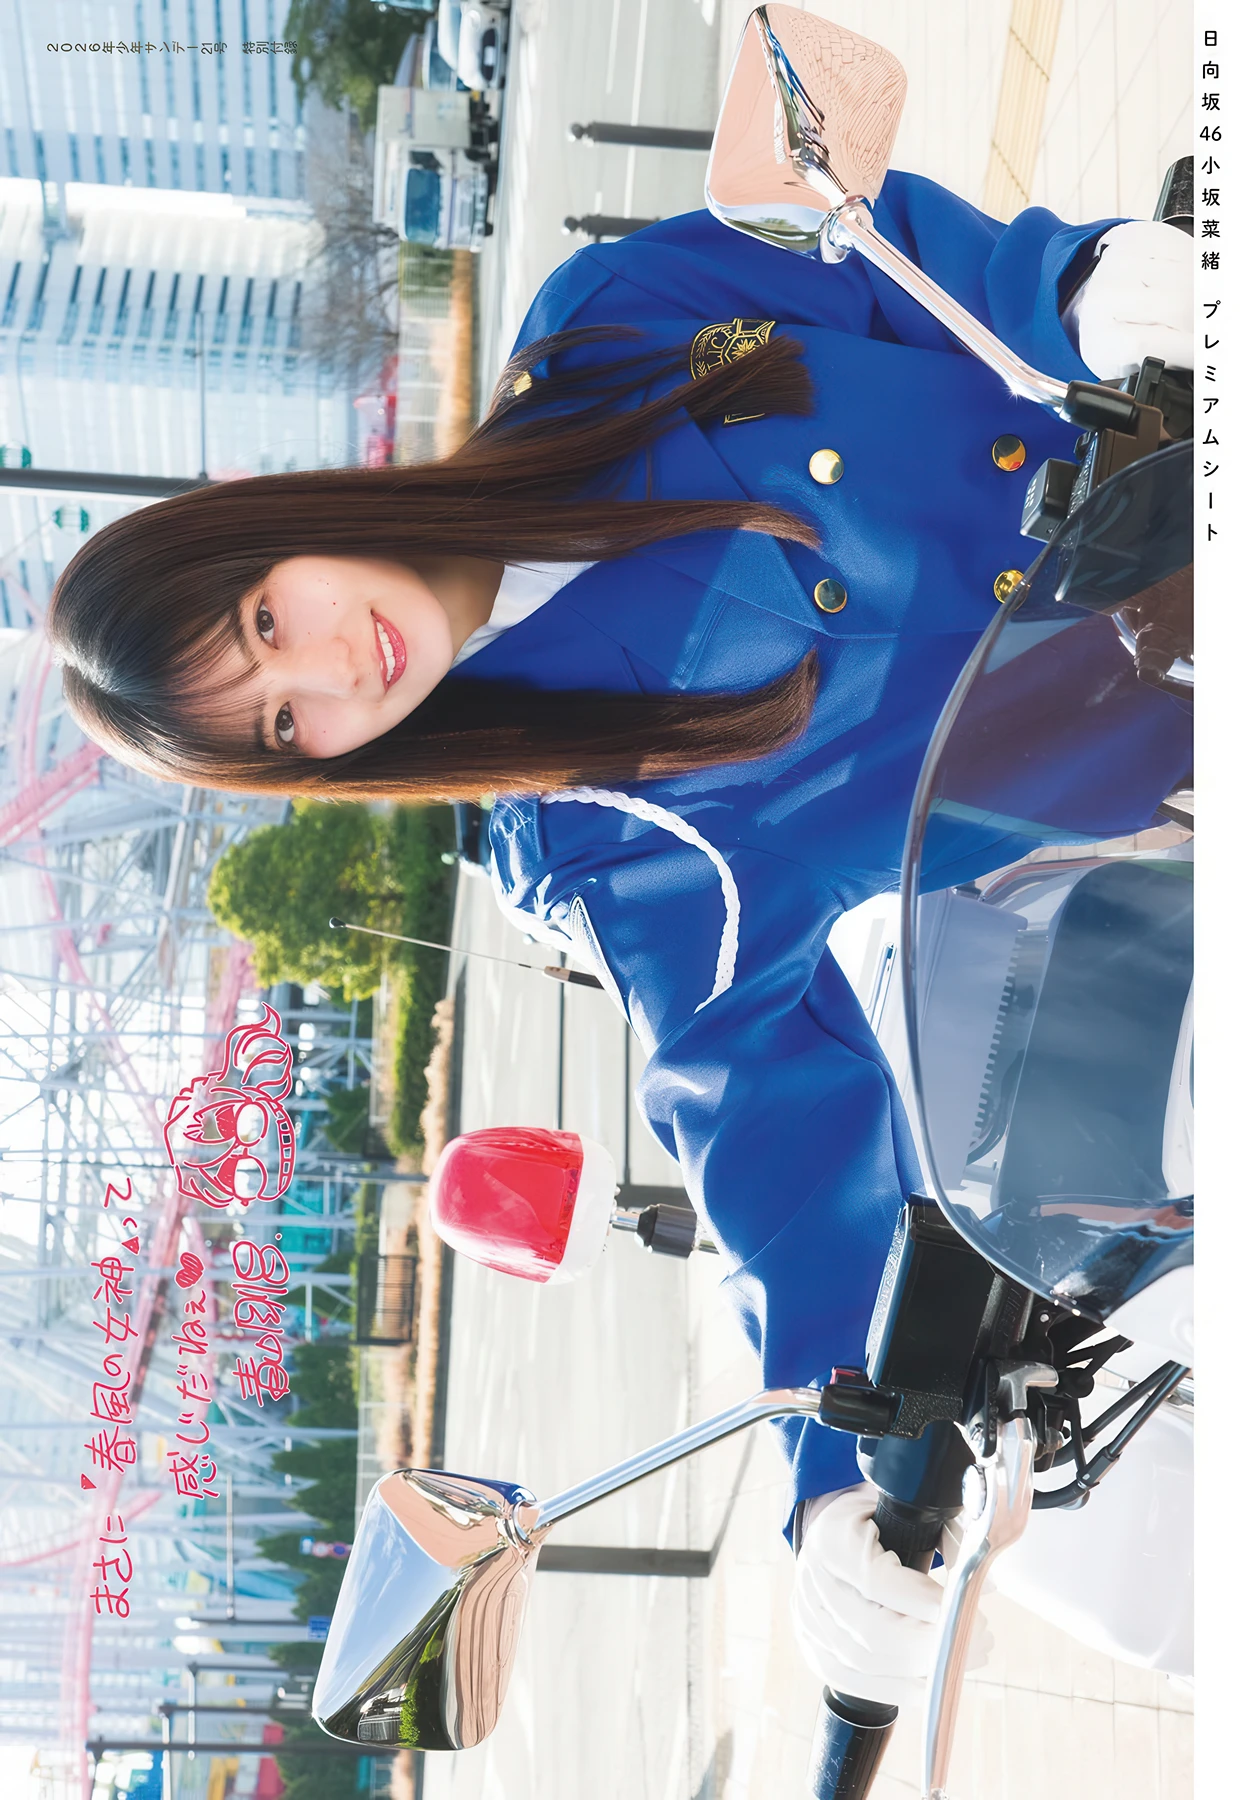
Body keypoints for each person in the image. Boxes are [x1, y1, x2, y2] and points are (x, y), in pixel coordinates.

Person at [48, 176, 1192, 1703]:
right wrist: (833, 1489)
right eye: (281, 725)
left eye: (265, 620)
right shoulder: (592, 828)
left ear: (278, 521)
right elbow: (764, 1111)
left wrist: (1064, 283)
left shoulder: (606, 331)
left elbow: (885, 264)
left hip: (1185, 466)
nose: (331, 672)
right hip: (1192, 771)